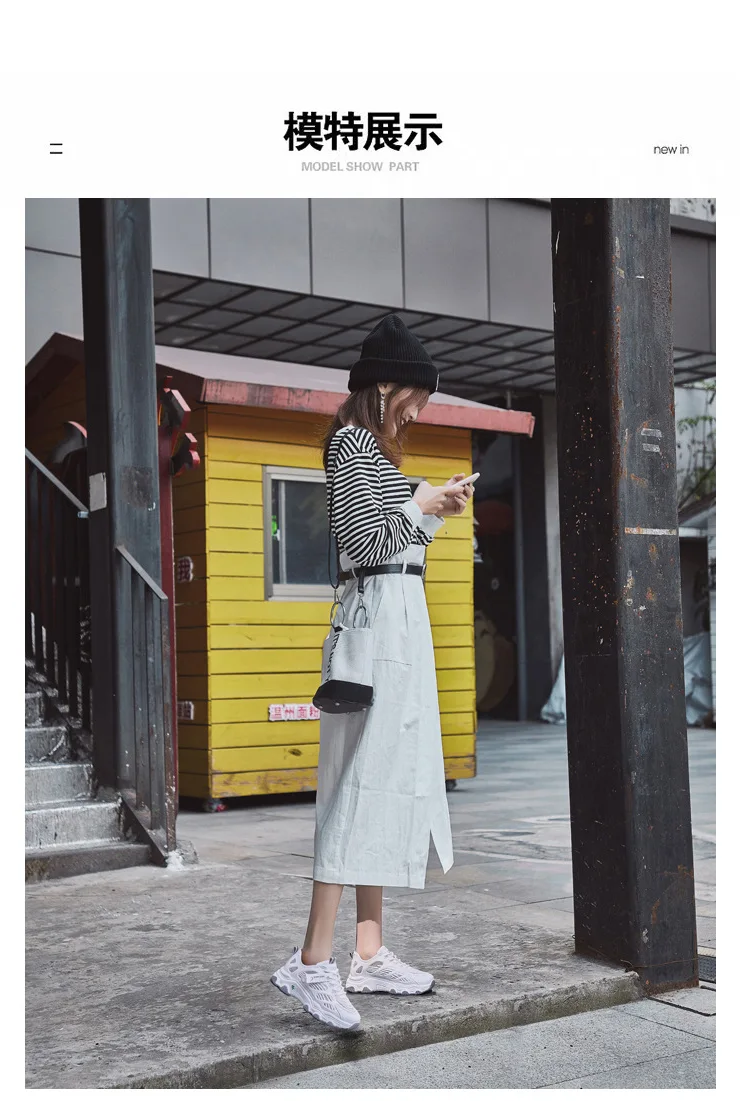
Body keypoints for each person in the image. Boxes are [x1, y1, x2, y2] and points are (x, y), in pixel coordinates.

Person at [271, 314, 474, 1032]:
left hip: (396, 627)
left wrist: (434, 508)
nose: (419, 411)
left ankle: (368, 951)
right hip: (374, 633)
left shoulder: (375, 454)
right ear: (385, 386)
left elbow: (397, 543)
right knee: (356, 788)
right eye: (417, 397)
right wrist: (421, 503)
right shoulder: (352, 444)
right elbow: (364, 543)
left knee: (383, 781)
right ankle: (311, 961)